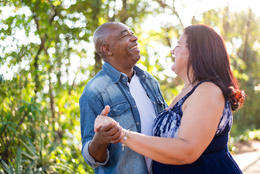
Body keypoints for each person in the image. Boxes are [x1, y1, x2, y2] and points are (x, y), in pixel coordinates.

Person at [95, 24, 245, 174]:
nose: (173, 51)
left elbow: (187, 151)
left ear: (196, 52)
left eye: (178, 45)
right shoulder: (189, 91)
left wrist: (122, 134)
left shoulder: (207, 91)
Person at [79, 22, 168, 174]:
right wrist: (100, 139)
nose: (135, 38)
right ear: (106, 50)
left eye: (132, 33)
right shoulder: (94, 92)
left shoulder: (150, 81)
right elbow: (91, 158)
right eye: (126, 35)